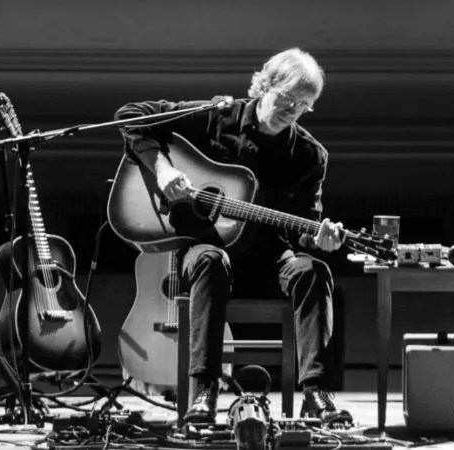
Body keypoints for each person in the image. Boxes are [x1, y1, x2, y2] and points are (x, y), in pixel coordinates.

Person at [114, 48, 351, 426]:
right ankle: (205, 391)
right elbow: (131, 117)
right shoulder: (216, 116)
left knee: (314, 271)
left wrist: (317, 239)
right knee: (210, 259)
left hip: (270, 260)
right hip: (206, 253)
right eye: (287, 99)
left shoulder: (309, 155)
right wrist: (162, 170)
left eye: (303, 106)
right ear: (266, 84)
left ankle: (316, 393)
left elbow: (303, 224)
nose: (292, 112)